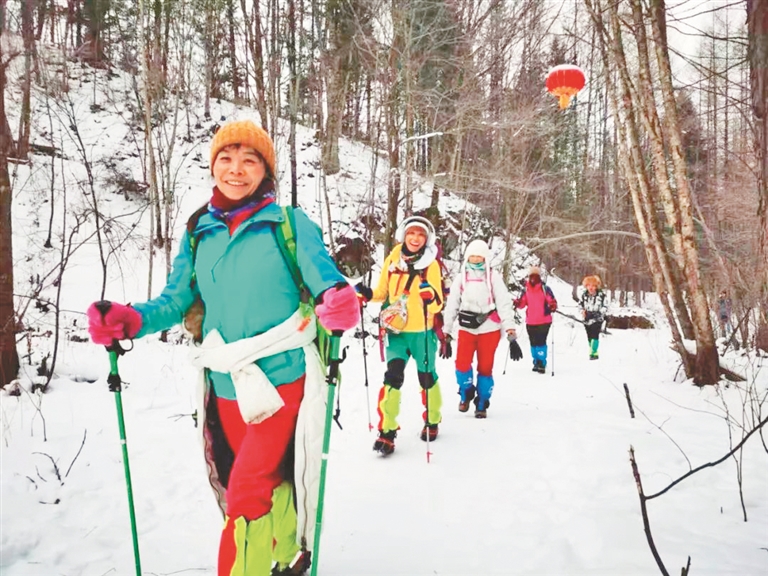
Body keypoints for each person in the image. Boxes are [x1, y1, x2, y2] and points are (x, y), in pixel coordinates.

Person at [86, 120, 360, 576]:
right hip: (224, 382)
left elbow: (324, 277)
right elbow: (177, 300)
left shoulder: (289, 224)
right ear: (213, 167)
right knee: (256, 483)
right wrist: (131, 319)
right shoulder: (199, 231)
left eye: (250, 160)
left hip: (281, 377)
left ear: (265, 172)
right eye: (226, 159)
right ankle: (287, 551)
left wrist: (338, 298)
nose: (237, 169)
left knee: (247, 491)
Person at [356, 215, 444, 455]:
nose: (415, 238)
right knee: (392, 378)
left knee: (427, 378)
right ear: (404, 234)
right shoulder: (393, 258)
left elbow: (438, 304)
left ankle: (432, 419)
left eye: (421, 235)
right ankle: (387, 432)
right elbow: (382, 292)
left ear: (427, 239)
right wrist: (366, 293)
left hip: (422, 333)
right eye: (412, 233)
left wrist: (431, 296)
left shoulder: (431, 264)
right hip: (396, 331)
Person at [440, 239, 518, 418]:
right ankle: (466, 391)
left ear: (486, 257)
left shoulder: (493, 277)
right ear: (467, 256)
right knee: (461, 364)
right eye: (472, 255)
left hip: (489, 329)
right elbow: (452, 304)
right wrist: (447, 332)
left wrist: (510, 331)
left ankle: (482, 401)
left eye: (479, 256)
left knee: (485, 367)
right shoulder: (461, 277)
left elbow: (504, 303)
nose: (475, 259)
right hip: (466, 328)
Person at [513, 266, 557, 374]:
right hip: (531, 321)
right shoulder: (526, 290)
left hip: (544, 320)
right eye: (531, 276)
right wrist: (517, 303)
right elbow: (522, 304)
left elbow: (552, 300)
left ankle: (542, 362)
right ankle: (536, 361)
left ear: (539, 277)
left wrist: (552, 306)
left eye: (536, 276)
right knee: (533, 343)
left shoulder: (545, 289)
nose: (533, 278)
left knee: (541, 342)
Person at [578, 275, 607, 360]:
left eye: (593, 286)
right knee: (589, 335)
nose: (591, 288)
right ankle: (592, 348)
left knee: (595, 334)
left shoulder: (601, 295)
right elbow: (580, 306)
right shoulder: (584, 295)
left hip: (597, 318)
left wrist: (598, 313)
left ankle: (594, 352)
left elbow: (606, 306)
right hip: (587, 318)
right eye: (589, 285)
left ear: (596, 286)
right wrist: (582, 312)